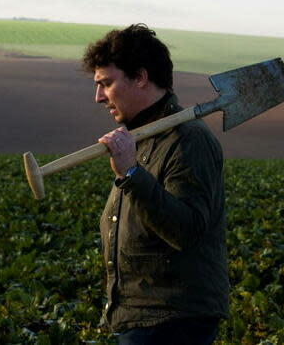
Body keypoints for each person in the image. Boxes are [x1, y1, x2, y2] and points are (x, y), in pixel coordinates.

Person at [84, 24, 228, 344]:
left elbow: (186, 230)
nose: (98, 97)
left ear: (140, 77)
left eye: (106, 83)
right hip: (140, 320)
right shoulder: (140, 141)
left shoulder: (188, 140)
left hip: (171, 322)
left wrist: (132, 176)